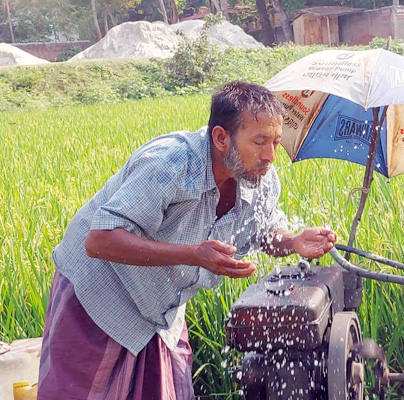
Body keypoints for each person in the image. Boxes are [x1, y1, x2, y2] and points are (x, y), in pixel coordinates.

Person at [37, 81, 338, 399]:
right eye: (260, 141)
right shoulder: (170, 165)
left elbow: (265, 231)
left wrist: (293, 241)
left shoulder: (259, 179)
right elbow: (99, 241)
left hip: (160, 307)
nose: (270, 156)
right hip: (100, 297)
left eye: (276, 142)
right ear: (221, 138)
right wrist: (193, 254)